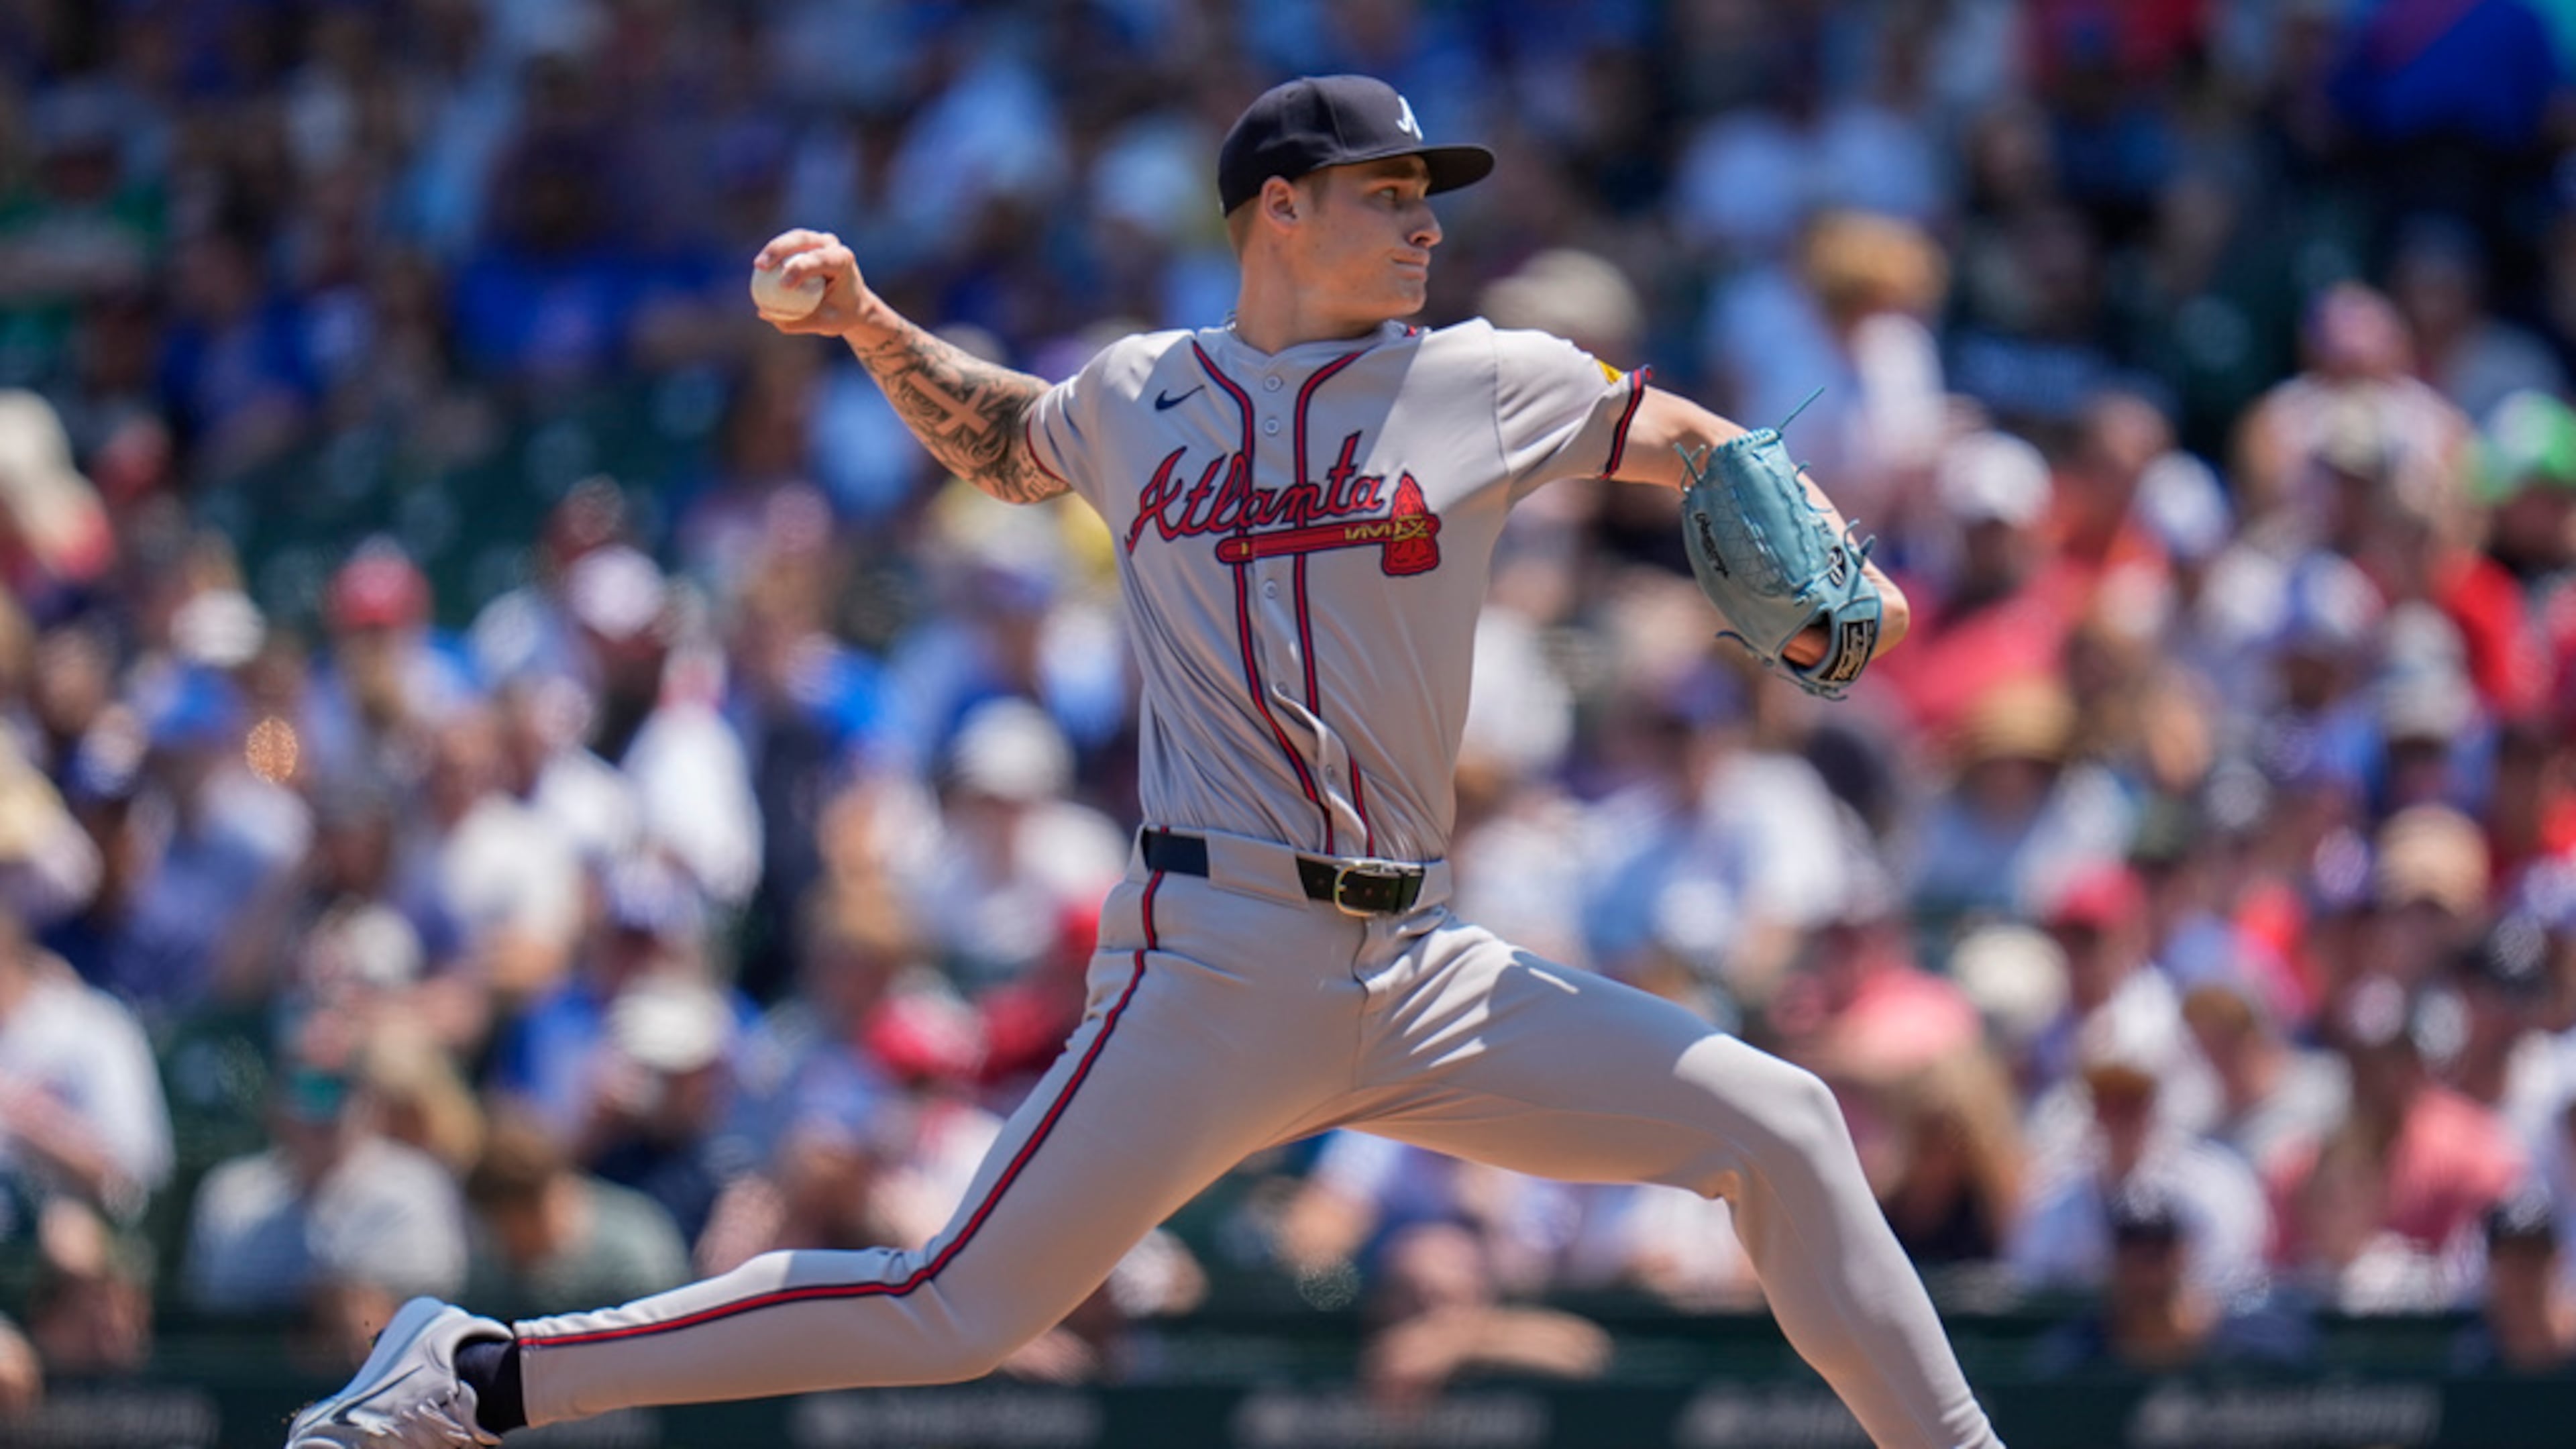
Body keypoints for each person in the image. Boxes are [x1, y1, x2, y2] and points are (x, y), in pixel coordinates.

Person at [289, 74, 2001, 1449]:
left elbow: (1688, 438)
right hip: (1217, 957)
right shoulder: (1139, 394)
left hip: (1424, 966)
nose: (1424, 227)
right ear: (1279, 210)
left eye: (1430, 200)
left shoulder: (1488, 380)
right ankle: (481, 1373)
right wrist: (870, 323)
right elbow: (1010, 441)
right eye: (1388, 197)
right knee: (958, 1309)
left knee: (1777, 1121)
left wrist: (1818, 534)